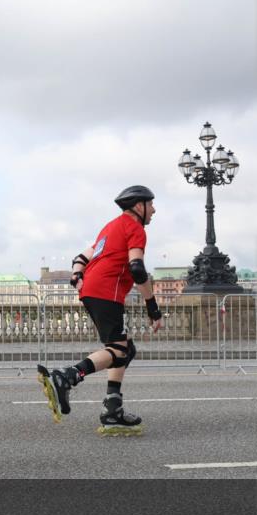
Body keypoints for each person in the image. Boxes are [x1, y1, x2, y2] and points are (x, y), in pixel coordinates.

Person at [37, 185, 164, 436]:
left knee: (125, 349)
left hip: (92, 290)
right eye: (151, 204)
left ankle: (113, 409)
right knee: (118, 350)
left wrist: (77, 275)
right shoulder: (135, 228)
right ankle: (67, 377)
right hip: (106, 291)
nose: (154, 209)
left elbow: (81, 257)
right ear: (139, 206)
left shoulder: (110, 227)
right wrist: (153, 307)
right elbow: (137, 268)